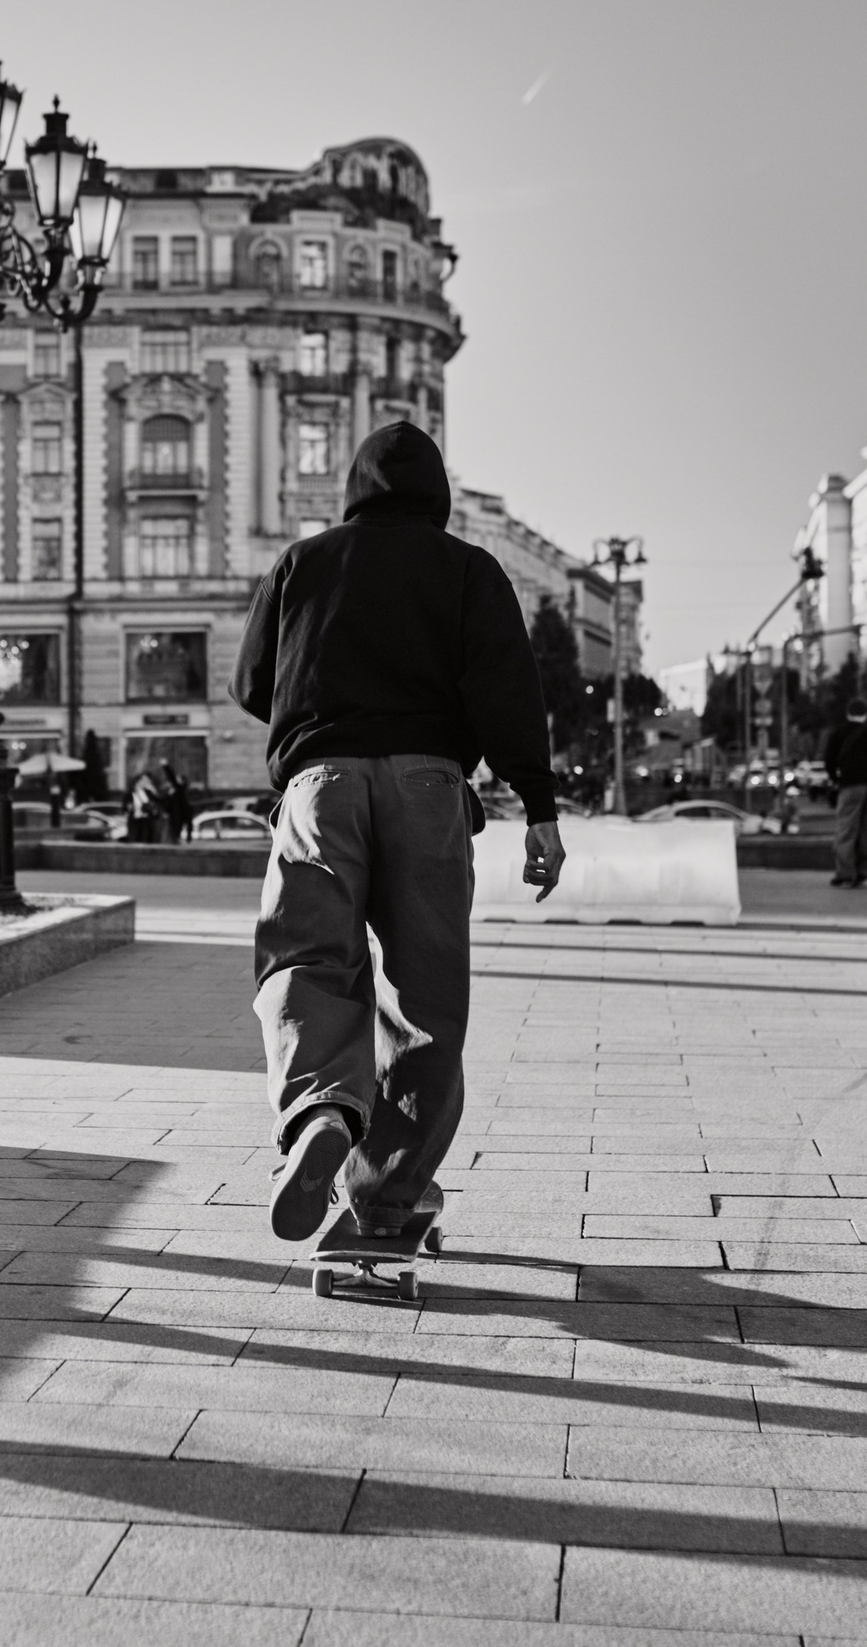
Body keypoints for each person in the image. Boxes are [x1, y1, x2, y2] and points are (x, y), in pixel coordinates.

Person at [232, 421, 564, 1243]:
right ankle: (386, 1196)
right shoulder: (467, 568)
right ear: (437, 495)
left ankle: (320, 1110)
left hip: (320, 783)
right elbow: (509, 692)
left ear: (355, 488)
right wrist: (540, 807)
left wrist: (318, 704)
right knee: (425, 995)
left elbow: (250, 682)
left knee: (308, 959)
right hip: (428, 784)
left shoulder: (303, 562)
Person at [824, 699, 867, 887]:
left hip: (851, 784)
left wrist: (836, 779)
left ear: (848, 713)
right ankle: (864, 871)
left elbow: (829, 759)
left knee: (847, 827)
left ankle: (845, 872)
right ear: (866, 714)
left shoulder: (839, 733)